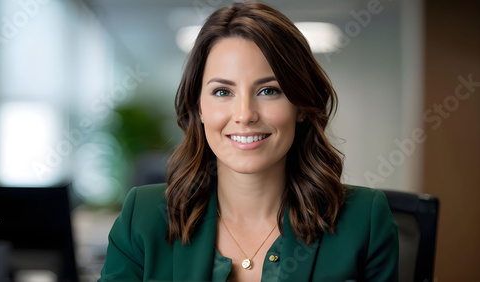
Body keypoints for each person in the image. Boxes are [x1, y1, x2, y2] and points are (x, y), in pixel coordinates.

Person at [98, 2, 398, 281]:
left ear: (302, 107)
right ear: (199, 107)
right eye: (222, 92)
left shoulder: (364, 220)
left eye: (269, 91)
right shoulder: (144, 217)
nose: (245, 115)